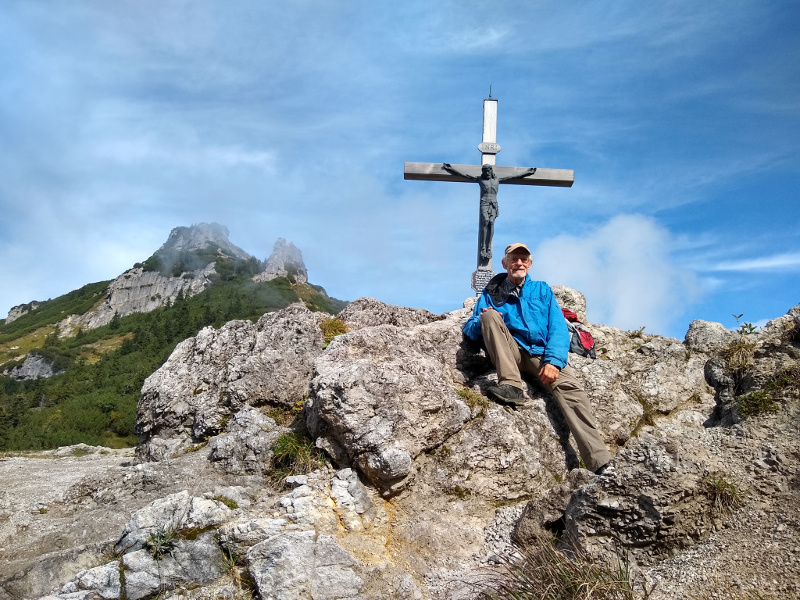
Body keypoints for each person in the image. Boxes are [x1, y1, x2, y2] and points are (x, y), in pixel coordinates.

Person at [463, 242, 612, 474]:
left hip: (541, 354)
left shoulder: (542, 290)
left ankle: (599, 461)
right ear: (505, 264)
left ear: (530, 264)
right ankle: (511, 386)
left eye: (523, 259)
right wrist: (481, 321)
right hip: (510, 351)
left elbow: (558, 328)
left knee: (573, 391)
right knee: (490, 316)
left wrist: (553, 361)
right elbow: (471, 326)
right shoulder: (492, 292)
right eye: (514, 259)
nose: (518, 263)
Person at [442, 163, 536, 265]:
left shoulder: (497, 180)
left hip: (494, 204)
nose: (487, 173)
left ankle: (488, 247)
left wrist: (527, 172)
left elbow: (513, 176)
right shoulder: (481, 179)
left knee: (491, 222)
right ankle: (483, 247)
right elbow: (465, 175)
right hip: (485, 202)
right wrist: (451, 169)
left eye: (488, 171)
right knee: (485, 221)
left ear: (491, 171)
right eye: (485, 171)